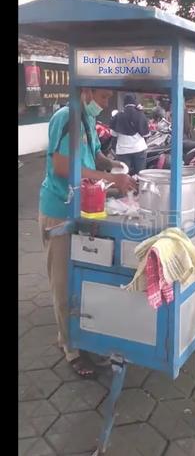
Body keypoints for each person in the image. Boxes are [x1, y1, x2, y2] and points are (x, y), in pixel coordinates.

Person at [39, 88, 137, 378]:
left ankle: (80, 337)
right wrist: (111, 178)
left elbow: (92, 154)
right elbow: (61, 165)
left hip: (83, 206)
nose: (105, 104)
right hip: (59, 208)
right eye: (103, 97)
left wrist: (114, 166)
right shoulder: (67, 116)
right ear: (86, 91)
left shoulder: (87, 120)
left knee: (81, 277)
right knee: (63, 281)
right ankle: (70, 349)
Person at [110, 93, 149, 175]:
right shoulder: (140, 115)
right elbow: (146, 134)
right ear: (135, 101)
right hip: (139, 149)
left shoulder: (118, 116)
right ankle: (140, 187)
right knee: (140, 175)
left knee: (123, 175)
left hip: (123, 151)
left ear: (124, 103)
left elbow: (113, 134)